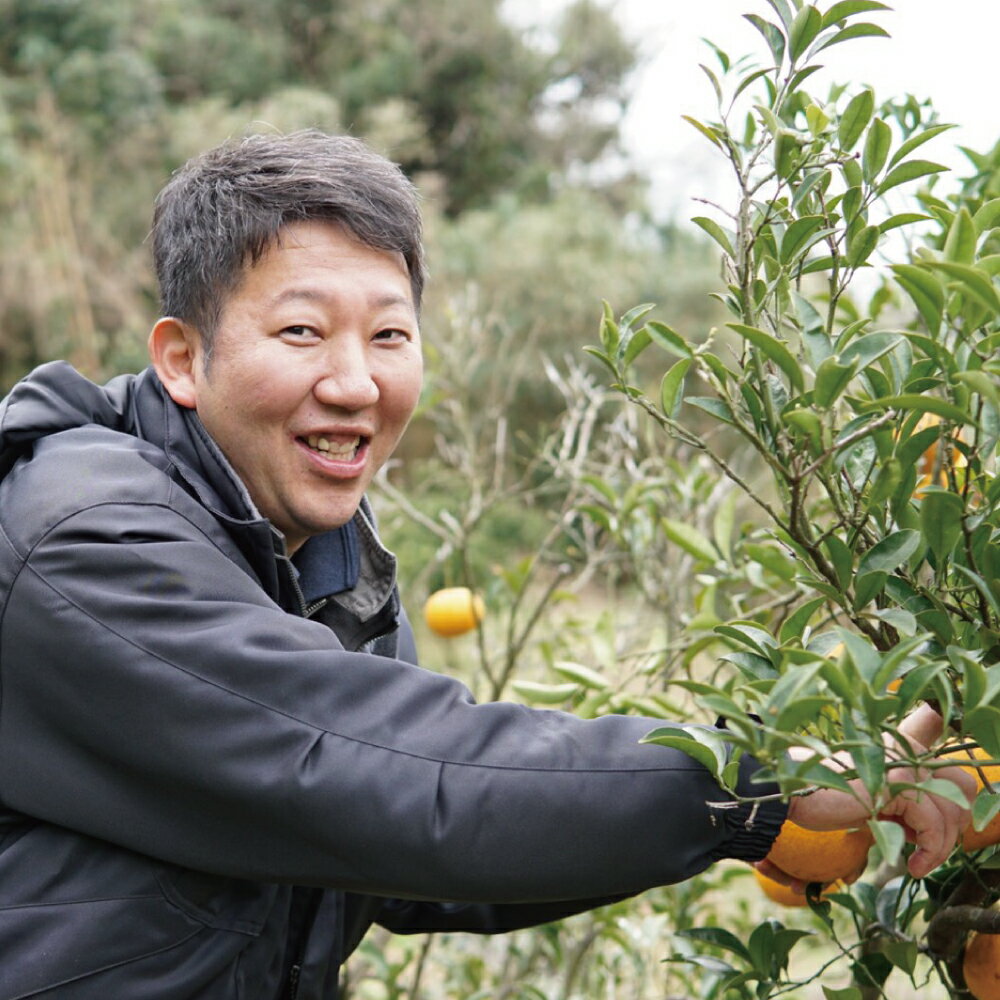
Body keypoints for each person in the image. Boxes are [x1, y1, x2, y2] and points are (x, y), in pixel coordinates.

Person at [0, 130, 974, 999]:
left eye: (389, 334)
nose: (353, 382)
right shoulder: (84, 541)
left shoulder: (312, 550)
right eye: (301, 331)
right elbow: (385, 779)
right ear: (181, 358)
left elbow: (397, 860)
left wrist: (759, 820)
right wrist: (762, 785)